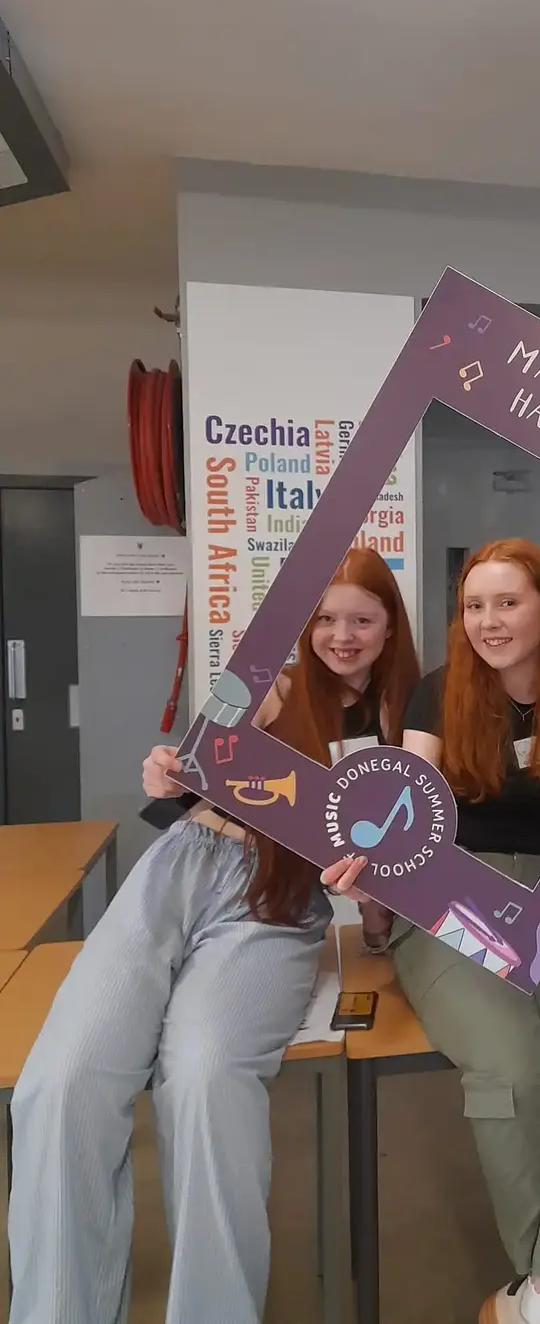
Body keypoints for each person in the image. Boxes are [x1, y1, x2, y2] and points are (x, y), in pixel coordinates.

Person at [8, 548, 419, 1324]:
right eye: (326, 617)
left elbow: (393, 863)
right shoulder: (276, 685)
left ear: (390, 623)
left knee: (204, 1082)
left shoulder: (408, 717)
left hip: (271, 905)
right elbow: (199, 761)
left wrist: (374, 922)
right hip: (181, 870)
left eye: (362, 618)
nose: (342, 634)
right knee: (59, 1083)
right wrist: (169, 769)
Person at [324, 538, 540, 1324]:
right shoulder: (439, 693)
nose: (489, 621)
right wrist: (372, 865)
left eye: (507, 602)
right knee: (510, 1068)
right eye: (474, 605)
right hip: (446, 898)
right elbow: (415, 804)